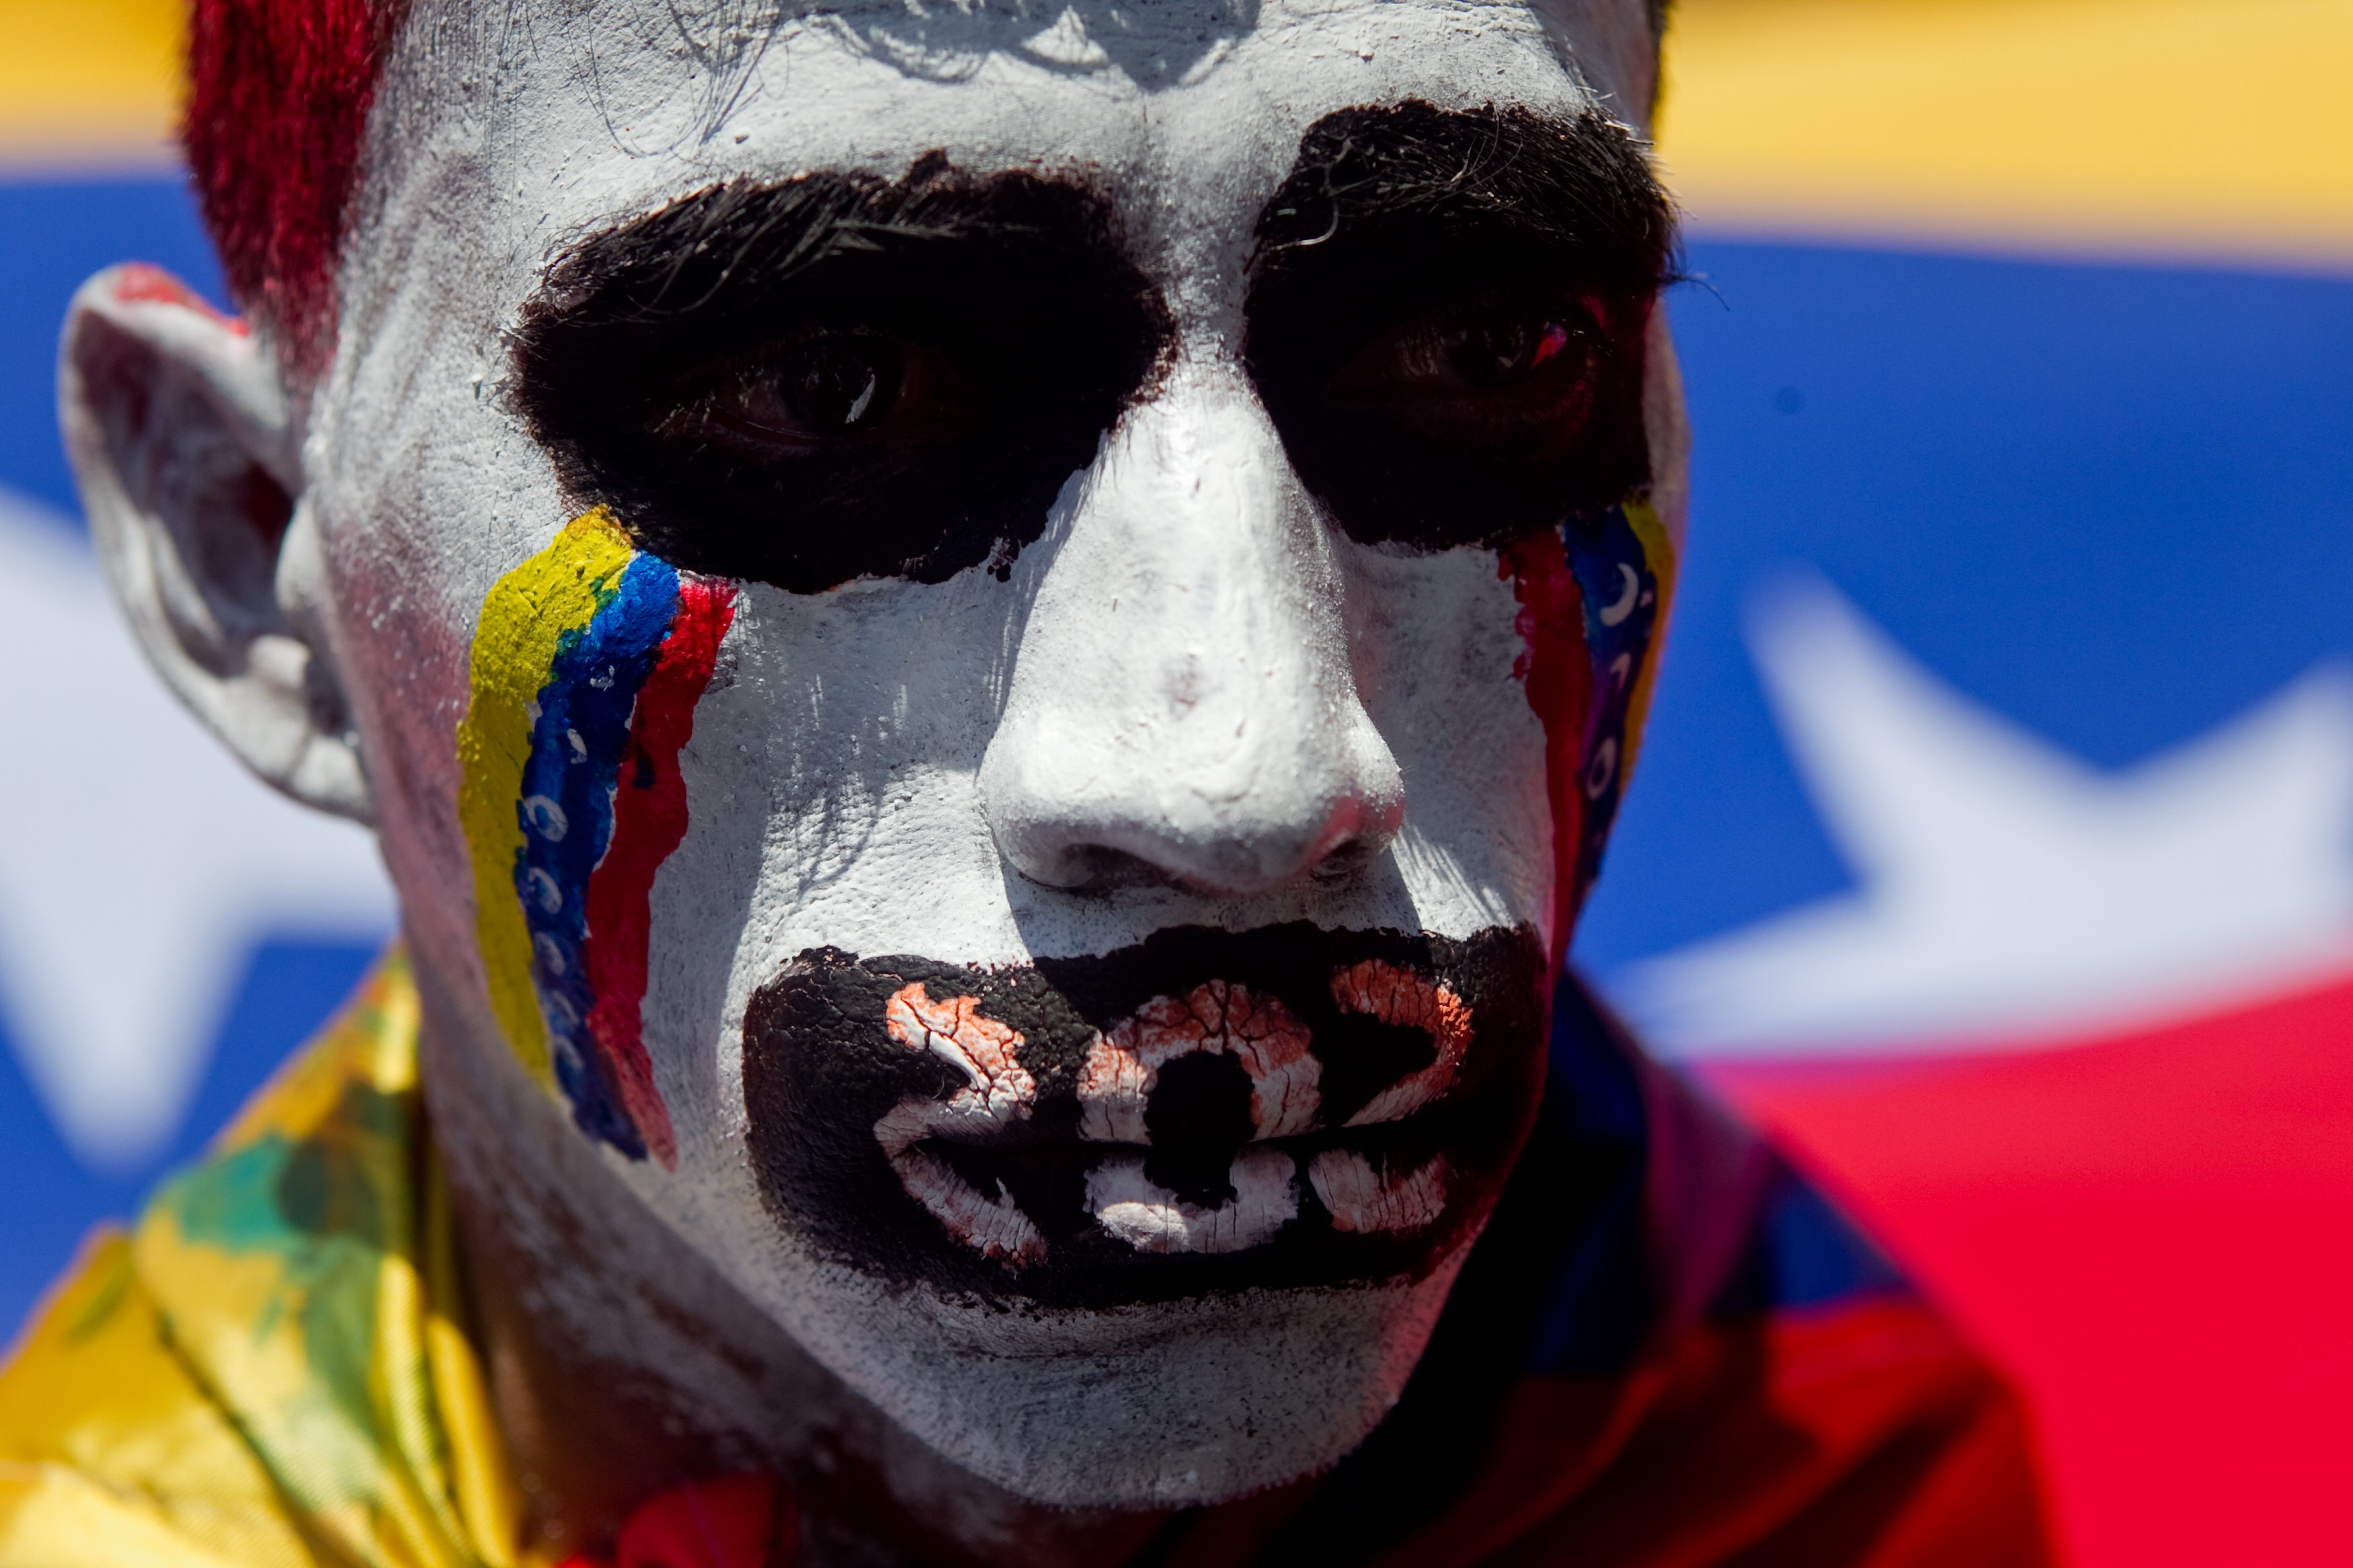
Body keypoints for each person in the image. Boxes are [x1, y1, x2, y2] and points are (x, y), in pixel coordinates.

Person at [0, 0, 2052, 1563]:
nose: (1247, 774)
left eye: (1482, 346)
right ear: (247, 543)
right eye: (830, 388)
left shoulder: (1791, 1431)